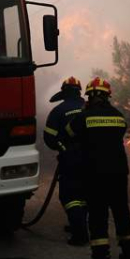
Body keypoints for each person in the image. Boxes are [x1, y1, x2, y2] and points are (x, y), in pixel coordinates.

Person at [65, 77, 130, 259]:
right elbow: (121, 131)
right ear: (107, 97)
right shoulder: (118, 116)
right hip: (119, 174)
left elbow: (69, 133)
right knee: (122, 213)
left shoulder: (84, 117)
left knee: (98, 219)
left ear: (89, 97)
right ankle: (129, 257)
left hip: (95, 176)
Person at [43, 76, 89, 246]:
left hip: (70, 161)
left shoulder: (58, 111)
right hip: (92, 159)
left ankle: (80, 234)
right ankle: (79, 224)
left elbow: (49, 138)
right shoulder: (89, 108)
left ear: (64, 92)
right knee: (84, 195)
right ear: (79, 92)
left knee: (69, 196)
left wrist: (63, 148)